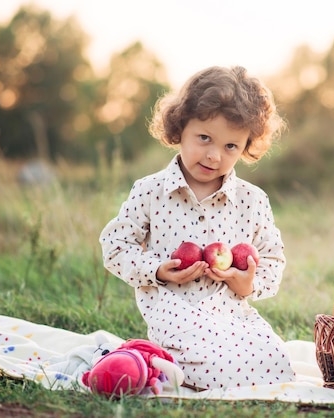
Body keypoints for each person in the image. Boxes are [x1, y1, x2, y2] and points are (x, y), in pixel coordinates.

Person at [99, 66, 296, 390]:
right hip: (175, 312)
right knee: (215, 371)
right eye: (204, 138)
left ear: (246, 145)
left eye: (231, 146)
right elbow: (116, 245)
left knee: (278, 366)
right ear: (180, 128)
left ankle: (167, 367)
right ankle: (157, 362)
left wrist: (247, 284)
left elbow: (272, 260)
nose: (215, 155)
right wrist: (158, 269)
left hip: (232, 314)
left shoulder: (251, 201)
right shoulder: (151, 191)